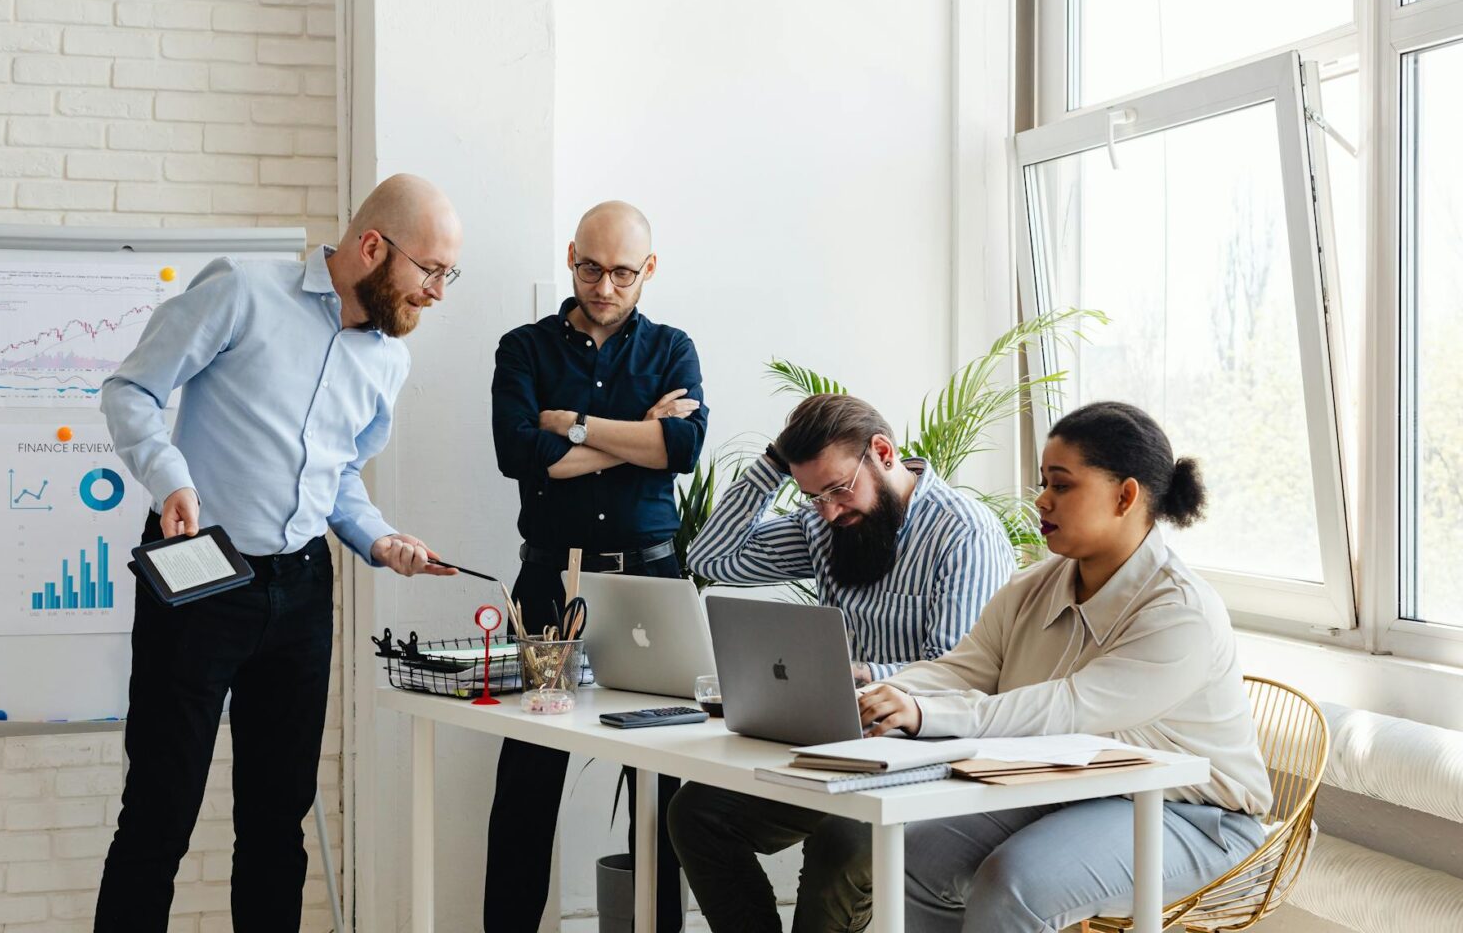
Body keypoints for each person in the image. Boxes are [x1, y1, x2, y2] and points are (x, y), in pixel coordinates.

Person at [95, 174, 465, 931]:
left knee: (276, 823)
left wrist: (378, 537)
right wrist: (170, 479)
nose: (437, 293)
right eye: (431, 270)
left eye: (446, 275)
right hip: (199, 574)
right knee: (159, 813)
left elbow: (338, 477)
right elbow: (131, 390)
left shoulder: (387, 359)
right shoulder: (242, 291)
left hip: (299, 589)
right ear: (372, 247)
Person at [846, 400, 1274, 932]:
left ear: (1126, 495)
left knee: (1013, 884)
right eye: (1043, 482)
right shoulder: (1033, 585)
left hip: (1196, 819)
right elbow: (962, 669)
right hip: (1074, 788)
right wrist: (873, 696)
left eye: (1062, 485)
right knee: (915, 856)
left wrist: (923, 715)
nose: (1041, 501)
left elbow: (1067, 711)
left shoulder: (1181, 614)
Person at [668, 392, 1014, 932]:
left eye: (837, 489)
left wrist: (866, 674)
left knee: (843, 840)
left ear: (883, 452)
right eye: (813, 496)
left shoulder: (962, 533)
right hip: (841, 744)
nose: (828, 510)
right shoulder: (829, 527)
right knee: (697, 813)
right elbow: (713, 558)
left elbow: (958, 675)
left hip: (931, 757)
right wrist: (773, 465)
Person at [485, 200, 709, 933]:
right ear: (572, 256)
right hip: (549, 582)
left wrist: (571, 426)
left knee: (663, 773)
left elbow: (681, 452)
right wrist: (637, 433)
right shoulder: (524, 349)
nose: (603, 287)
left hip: (650, 580)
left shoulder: (673, 349)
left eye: (621, 273)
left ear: (648, 270)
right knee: (527, 772)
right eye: (590, 268)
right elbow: (517, 455)